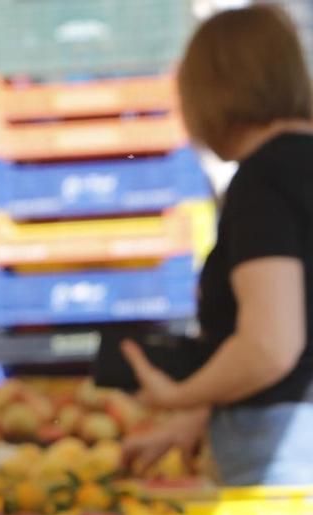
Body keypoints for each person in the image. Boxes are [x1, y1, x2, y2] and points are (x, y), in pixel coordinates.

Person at [123, 4, 313, 486]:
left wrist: (177, 393)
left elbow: (271, 345)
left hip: (286, 452)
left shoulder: (262, 180)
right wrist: (196, 418)